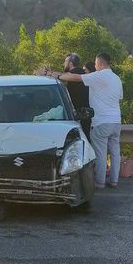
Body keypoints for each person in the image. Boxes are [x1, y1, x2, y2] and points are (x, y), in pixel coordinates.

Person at [49, 53, 123, 189]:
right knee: (115, 153)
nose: (94, 66)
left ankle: (100, 183)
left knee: (100, 154)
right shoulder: (117, 78)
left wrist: (57, 76)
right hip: (116, 121)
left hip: (101, 122)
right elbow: (119, 100)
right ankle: (114, 181)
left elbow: (76, 77)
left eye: (95, 64)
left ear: (100, 63)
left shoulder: (99, 76)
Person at [62, 53, 91, 139]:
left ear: (70, 64)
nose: (64, 64)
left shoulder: (70, 77)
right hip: (88, 115)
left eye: (65, 61)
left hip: (76, 117)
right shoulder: (86, 75)